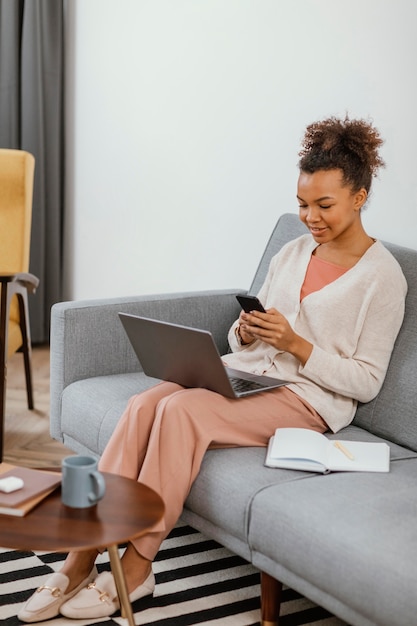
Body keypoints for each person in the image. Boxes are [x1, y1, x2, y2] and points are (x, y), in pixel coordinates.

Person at [18, 115, 407, 622]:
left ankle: (137, 567)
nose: (310, 216)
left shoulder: (383, 278)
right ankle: (81, 556)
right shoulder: (292, 251)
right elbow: (247, 329)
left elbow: (366, 381)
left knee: (182, 411)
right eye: (302, 203)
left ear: (360, 196)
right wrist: (245, 332)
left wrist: (297, 344)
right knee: (142, 404)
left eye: (324, 205)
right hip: (247, 373)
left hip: (307, 399)